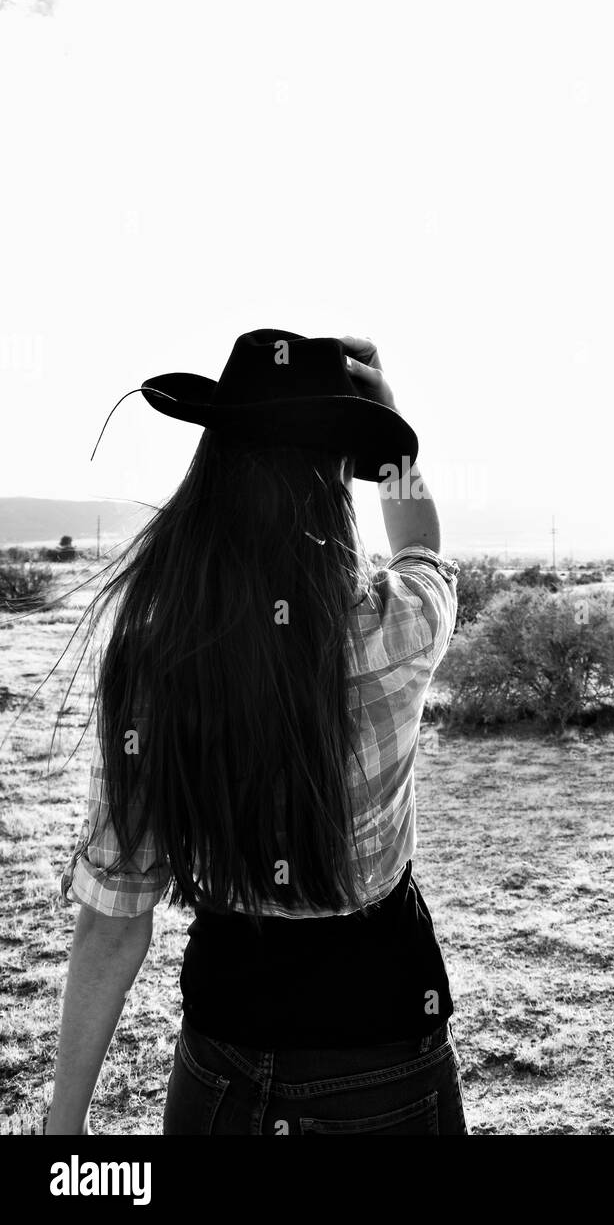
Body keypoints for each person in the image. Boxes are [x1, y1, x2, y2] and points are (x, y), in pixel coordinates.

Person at [46, 329, 467, 1136]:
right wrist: (384, 422)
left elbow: (112, 919)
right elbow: (421, 545)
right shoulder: (397, 625)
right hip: (383, 1044)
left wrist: (61, 1130)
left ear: (210, 474)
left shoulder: (154, 654)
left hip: (222, 1056)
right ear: (335, 480)